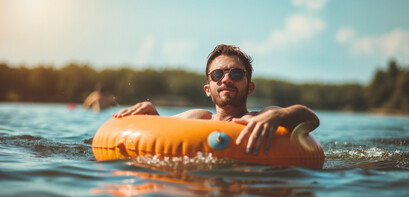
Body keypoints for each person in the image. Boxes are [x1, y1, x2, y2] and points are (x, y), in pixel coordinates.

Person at [113, 44, 319, 155]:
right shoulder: (198, 117)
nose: (226, 79)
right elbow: (161, 130)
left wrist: (280, 114)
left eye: (236, 74)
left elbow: (311, 119)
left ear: (250, 87)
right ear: (208, 89)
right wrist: (151, 114)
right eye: (217, 75)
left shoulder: (263, 117)